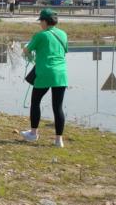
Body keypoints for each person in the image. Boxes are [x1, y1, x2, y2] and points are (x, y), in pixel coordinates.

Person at [21, 8, 68, 147]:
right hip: (61, 74)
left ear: (45, 21)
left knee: (35, 102)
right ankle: (59, 140)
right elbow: (64, 51)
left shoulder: (41, 35)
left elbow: (27, 50)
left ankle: (33, 133)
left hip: (45, 73)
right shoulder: (63, 34)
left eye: (41, 21)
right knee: (58, 107)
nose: (40, 24)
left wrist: (26, 49)